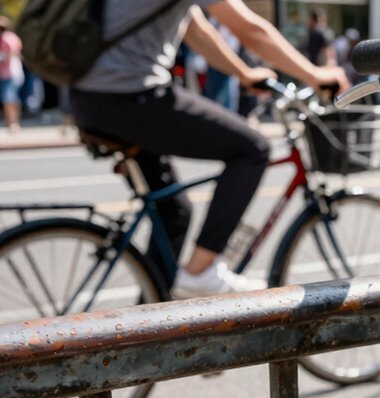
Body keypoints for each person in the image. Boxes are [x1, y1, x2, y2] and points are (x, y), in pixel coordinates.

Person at [70, 0, 349, 298]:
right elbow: (251, 30)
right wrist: (315, 74)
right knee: (253, 148)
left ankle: (148, 325)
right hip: (130, 95)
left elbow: (195, 29)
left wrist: (242, 72)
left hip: (91, 99)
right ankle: (199, 273)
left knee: (174, 213)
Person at [0, 16, 23, 133]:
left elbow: (12, 54)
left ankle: (13, 123)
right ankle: (13, 122)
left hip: (11, 72)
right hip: (5, 73)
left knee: (9, 99)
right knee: (12, 99)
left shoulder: (8, 38)